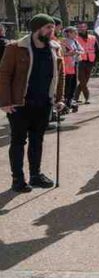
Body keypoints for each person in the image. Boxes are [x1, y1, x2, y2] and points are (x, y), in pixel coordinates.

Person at [0, 14, 65, 193]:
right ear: (37, 29)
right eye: (47, 27)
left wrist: (59, 99)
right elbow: (4, 74)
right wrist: (5, 102)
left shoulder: (54, 47)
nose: (51, 31)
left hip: (44, 103)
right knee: (18, 141)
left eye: (52, 28)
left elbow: (60, 75)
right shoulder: (15, 47)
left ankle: (35, 175)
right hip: (20, 104)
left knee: (37, 140)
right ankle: (17, 179)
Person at [74, 21, 99, 105]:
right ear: (78, 28)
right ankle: (87, 97)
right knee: (82, 80)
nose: (81, 28)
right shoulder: (75, 38)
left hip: (90, 61)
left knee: (85, 80)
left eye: (83, 27)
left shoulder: (93, 38)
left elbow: (97, 50)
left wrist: (96, 61)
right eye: (80, 27)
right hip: (80, 61)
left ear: (86, 27)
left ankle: (75, 97)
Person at [61, 27, 83, 111]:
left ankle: (70, 100)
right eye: (74, 32)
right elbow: (63, 53)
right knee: (67, 83)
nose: (76, 33)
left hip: (74, 64)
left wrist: (77, 52)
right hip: (67, 65)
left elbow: (81, 50)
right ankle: (65, 100)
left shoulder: (75, 41)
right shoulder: (63, 41)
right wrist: (70, 53)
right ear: (69, 33)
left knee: (74, 83)